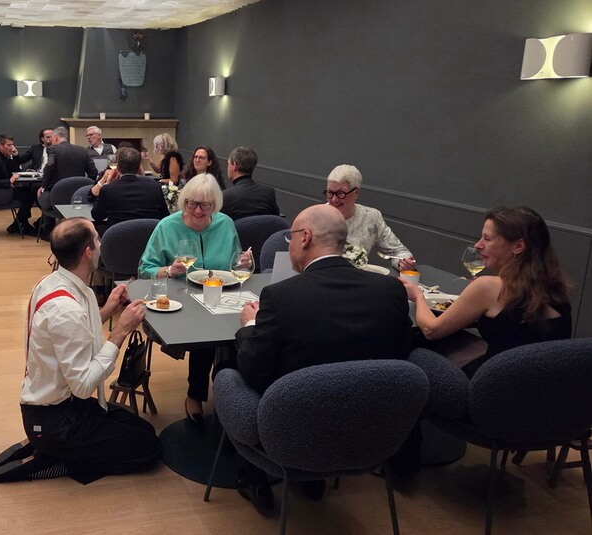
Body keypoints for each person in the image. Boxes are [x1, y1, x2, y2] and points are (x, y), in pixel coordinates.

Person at [233, 203, 412, 510]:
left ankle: (253, 476)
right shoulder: (390, 291)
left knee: (229, 370)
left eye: (290, 237)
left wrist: (250, 325)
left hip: (291, 433)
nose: (289, 244)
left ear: (305, 237)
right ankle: (313, 480)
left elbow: (252, 368)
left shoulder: (281, 297)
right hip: (372, 432)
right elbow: (400, 356)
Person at [0, 218, 162, 483]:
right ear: (88, 253)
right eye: (97, 239)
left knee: (143, 429)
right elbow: (83, 385)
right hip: (57, 419)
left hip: (60, 406)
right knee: (150, 449)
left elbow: (75, 333)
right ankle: (59, 460)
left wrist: (108, 309)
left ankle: (48, 447)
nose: (101, 244)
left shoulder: (54, 282)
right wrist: (120, 331)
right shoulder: (66, 310)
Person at [404, 206, 571, 377]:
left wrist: (418, 296)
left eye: (487, 238)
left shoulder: (488, 287)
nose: (478, 245)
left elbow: (431, 330)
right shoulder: (557, 289)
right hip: (544, 387)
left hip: (492, 385)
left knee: (417, 351)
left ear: (518, 246)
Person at [138, 173, 241, 423]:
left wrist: (243, 262)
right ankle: (195, 395)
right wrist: (167, 270)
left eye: (205, 205)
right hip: (179, 301)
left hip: (221, 295)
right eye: (191, 204)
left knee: (244, 331)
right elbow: (144, 269)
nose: (197, 211)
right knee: (207, 334)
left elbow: (235, 261)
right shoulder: (167, 227)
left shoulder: (225, 224)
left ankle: (228, 391)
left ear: (214, 205)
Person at [325, 164, 416, 271]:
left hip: (358, 278)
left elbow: (398, 251)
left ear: (356, 192)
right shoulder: (316, 218)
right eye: (330, 193)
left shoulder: (371, 217)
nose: (334, 199)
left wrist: (403, 262)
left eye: (340, 193)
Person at [90, 146, 168, 235]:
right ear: (139, 167)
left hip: (117, 239)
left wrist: (107, 183)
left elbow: (97, 216)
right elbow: (165, 216)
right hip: (150, 238)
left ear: (117, 167)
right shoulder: (155, 187)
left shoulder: (108, 189)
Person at [37, 127, 96, 238]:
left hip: (57, 198)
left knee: (41, 196)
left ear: (56, 137)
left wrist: (43, 186)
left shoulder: (53, 149)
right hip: (79, 198)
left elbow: (50, 164)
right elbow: (93, 172)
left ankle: (48, 229)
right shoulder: (82, 150)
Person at [0, 133, 38, 236]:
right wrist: (9, 181)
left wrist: (14, 156)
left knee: (28, 192)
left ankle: (18, 224)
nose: (12, 147)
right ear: (0, 145)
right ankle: (21, 224)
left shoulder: (1, 155)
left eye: (12, 144)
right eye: (9, 145)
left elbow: (13, 169)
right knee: (30, 195)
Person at [220, 147, 280, 221]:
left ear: (234, 165)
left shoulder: (225, 196)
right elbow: (276, 221)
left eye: (228, 163)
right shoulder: (268, 193)